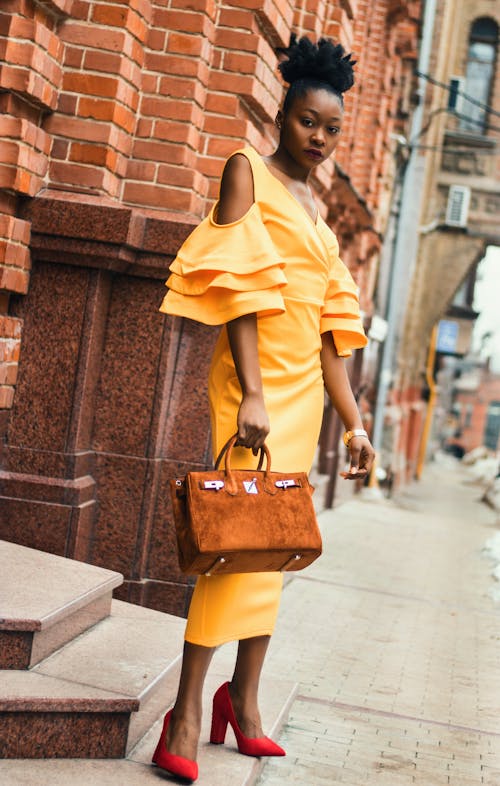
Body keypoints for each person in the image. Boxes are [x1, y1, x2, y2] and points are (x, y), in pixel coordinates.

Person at [154, 34, 375, 782]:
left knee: (272, 547)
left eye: (332, 129)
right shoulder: (245, 171)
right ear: (283, 115)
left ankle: (243, 703)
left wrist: (356, 424)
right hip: (251, 390)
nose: (320, 139)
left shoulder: (319, 209)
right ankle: (186, 713)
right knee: (230, 549)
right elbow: (239, 294)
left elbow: (331, 335)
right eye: (310, 122)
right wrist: (250, 389)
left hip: (303, 399)